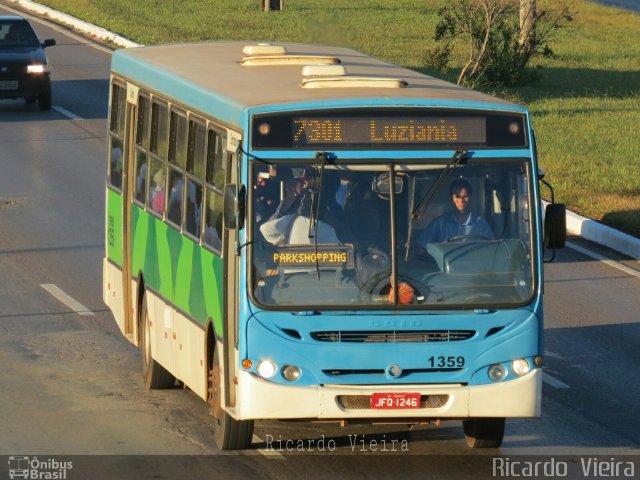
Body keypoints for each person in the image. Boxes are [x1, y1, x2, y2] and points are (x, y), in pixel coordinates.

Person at [419, 179, 494, 244]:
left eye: (465, 197)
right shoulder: (439, 224)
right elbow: (421, 247)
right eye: (457, 197)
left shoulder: (481, 225)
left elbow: (491, 250)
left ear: (470, 197)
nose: (461, 201)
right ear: (451, 198)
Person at [260, 191, 340, 246]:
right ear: (326, 211)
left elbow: (264, 229)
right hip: (320, 270)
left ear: (303, 207)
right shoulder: (329, 230)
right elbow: (340, 255)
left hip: (290, 270)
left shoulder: (291, 220)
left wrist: (281, 240)